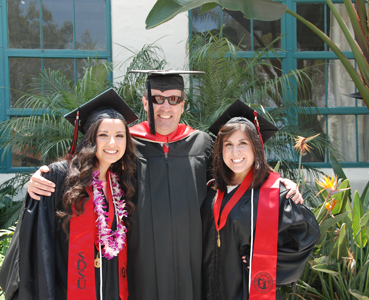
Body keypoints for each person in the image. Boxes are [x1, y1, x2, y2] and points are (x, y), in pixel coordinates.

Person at [26, 71, 303, 300]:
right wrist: (45, 175)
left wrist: (275, 180)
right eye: (157, 99)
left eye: (173, 99)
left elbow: (234, 173)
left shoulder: (202, 144)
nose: (165, 107)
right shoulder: (127, 142)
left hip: (193, 258)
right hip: (138, 258)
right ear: (146, 103)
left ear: (184, 104)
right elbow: (91, 168)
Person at [0, 88, 138, 300]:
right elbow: (37, 240)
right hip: (67, 288)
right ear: (90, 139)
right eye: (103, 135)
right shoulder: (60, 176)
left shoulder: (121, 181)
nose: (112, 143)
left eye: (119, 136)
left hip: (109, 288)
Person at [201, 100, 320, 300]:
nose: (235, 152)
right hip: (207, 291)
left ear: (256, 147)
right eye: (228, 144)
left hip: (250, 292)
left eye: (243, 143)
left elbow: (305, 237)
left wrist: (266, 261)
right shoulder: (210, 190)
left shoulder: (275, 194)